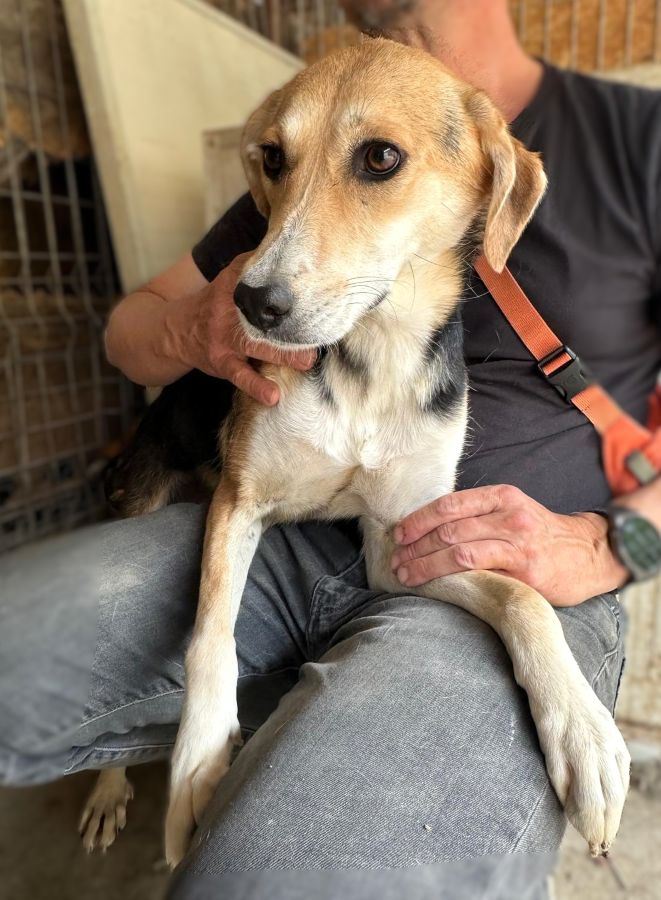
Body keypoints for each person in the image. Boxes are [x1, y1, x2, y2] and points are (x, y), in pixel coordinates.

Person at [1, 1, 660, 897]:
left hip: (507, 575)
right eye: (279, 162)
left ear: (493, 185)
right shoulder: (316, 133)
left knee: (272, 876)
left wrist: (608, 544)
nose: (285, 243)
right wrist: (190, 331)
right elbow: (129, 332)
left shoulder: (635, 138)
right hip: (281, 538)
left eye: (378, 161)